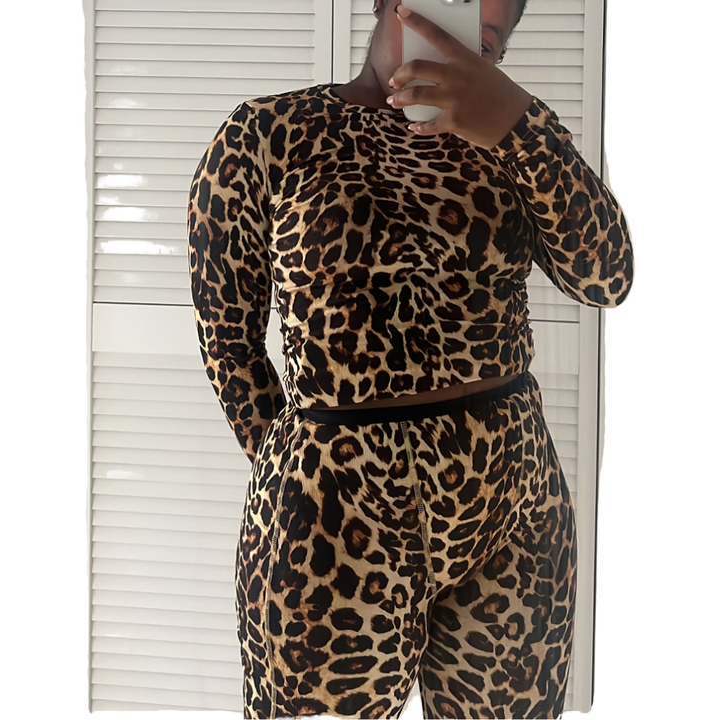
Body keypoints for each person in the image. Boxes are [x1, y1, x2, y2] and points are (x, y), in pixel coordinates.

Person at [187, 0, 634, 718]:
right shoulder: (267, 132)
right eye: (442, 12)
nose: (454, 50)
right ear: (387, 4)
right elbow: (228, 342)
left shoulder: (509, 140)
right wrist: (306, 468)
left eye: (484, 45)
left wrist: (518, 124)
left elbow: (606, 277)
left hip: (511, 504)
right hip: (333, 519)